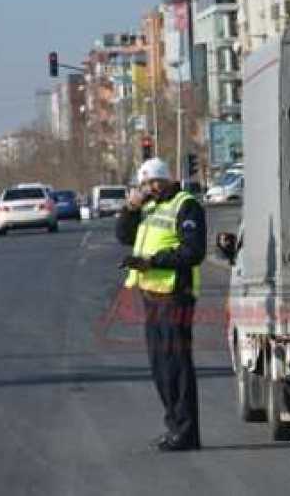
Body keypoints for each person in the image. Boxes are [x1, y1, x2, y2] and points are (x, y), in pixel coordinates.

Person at [116, 157, 206, 452]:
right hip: (151, 295)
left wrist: (152, 262)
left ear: (167, 179)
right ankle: (174, 427)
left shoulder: (185, 204)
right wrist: (130, 208)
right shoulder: (149, 207)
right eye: (145, 183)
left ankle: (187, 433)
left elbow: (193, 251)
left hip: (175, 295)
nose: (151, 188)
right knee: (160, 368)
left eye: (155, 181)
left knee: (177, 367)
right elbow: (124, 236)